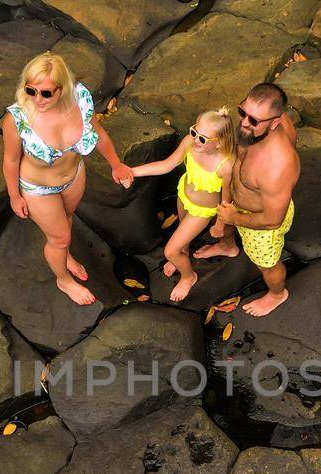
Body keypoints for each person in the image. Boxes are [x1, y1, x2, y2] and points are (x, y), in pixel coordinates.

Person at [1, 52, 134, 306]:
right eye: (31, 91)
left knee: (67, 219)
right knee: (59, 237)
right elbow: (10, 161)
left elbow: (99, 133)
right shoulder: (17, 119)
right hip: (39, 188)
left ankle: (65, 254)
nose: (37, 99)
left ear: (62, 89)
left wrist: (116, 164)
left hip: (73, 176)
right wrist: (14, 195)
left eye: (46, 93)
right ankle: (63, 279)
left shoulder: (81, 99)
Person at [196, 82, 299, 316]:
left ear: (275, 122)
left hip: (261, 224)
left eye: (254, 120)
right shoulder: (256, 129)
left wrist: (235, 217)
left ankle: (276, 294)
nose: (244, 123)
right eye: (243, 112)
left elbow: (273, 220)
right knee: (225, 220)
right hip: (238, 205)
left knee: (267, 264)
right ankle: (227, 246)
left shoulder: (278, 166)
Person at [128, 107, 235, 302]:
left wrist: (220, 223)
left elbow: (226, 199)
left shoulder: (225, 166)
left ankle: (188, 276)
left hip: (202, 211)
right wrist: (132, 172)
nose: (195, 140)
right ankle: (181, 257)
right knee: (181, 235)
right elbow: (166, 165)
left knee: (170, 250)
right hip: (183, 195)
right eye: (194, 132)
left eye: (202, 138)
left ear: (219, 143)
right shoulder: (189, 143)